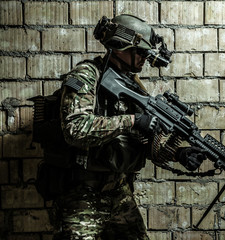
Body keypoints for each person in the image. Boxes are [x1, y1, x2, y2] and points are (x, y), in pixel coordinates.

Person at [53, 14, 206, 240]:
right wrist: (132, 120)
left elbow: (141, 141)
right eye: (141, 52)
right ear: (120, 46)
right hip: (83, 193)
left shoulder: (132, 83)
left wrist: (178, 153)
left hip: (120, 191)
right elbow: (75, 129)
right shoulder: (87, 75)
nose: (145, 58)